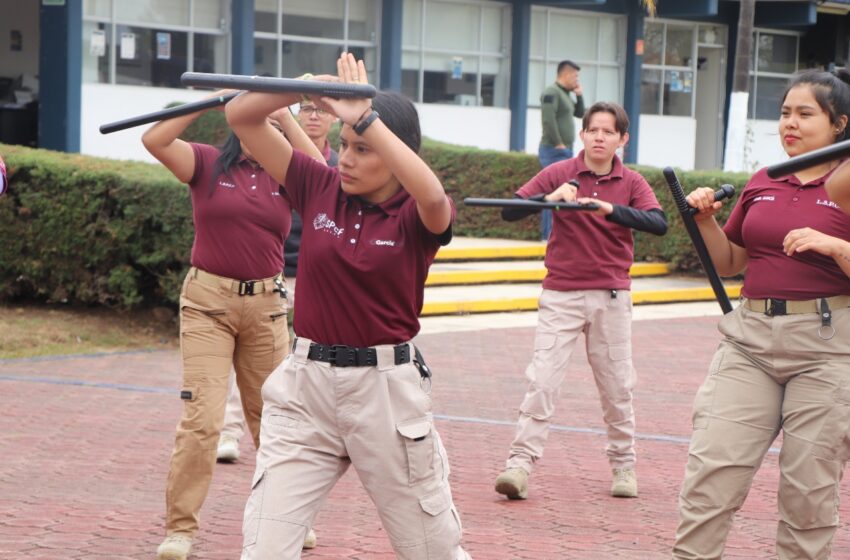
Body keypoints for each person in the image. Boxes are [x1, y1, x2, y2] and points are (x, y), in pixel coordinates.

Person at [225, 52, 470, 559]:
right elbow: (241, 117)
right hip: (305, 390)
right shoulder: (320, 186)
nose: (348, 159)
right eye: (343, 146)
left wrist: (366, 118)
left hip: (386, 395)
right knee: (264, 549)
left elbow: (433, 193)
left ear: (394, 149)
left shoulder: (417, 213)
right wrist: (299, 87)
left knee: (433, 552)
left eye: (363, 148)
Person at [672, 69, 850, 559]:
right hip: (749, 340)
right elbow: (731, 262)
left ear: (839, 123)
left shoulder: (849, 182)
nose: (789, 123)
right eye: (784, 113)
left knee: (808, 492)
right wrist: (704, 221)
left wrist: (834, 244)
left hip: (828, 349)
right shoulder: (764, 179)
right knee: (711, 474)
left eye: (805, 114)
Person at [142, 90, 322, 560]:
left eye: (266, 124)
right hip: (207, 305)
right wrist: (202, 103)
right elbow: (154, 141)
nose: (255, 130)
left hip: (265, 307)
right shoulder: (206, 164)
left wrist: (284, 112)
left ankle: (289, 521)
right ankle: (180, 530)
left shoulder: (285, 176)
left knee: (276, 423)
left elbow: (323, 174)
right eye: (249, 120)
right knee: (201, 421)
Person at [494, 101, 667, 502]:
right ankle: (518, 466)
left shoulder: (633, 182)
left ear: (623, 139)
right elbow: (508, 211)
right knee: (542, 381)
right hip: (560, 296)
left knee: (617, 387)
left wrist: (611, 210)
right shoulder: (560, 172)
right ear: (582, 134)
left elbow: (658, 223)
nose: (600, 138)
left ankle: (624, 465)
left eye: (609, 132)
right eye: (593, 130)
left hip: (611, 298)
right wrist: (550, 198)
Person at [216, 100, 339, 464]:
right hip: (273, 272)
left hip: (319, 275)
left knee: (317, 358)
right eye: (308, 109)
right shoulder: (272, 153)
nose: (314, 115)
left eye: (322, 110)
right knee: (254, 360)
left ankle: (315, 433)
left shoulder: (339, 166)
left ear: (333, 118)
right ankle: (230, 432)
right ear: (296, 114)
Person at [538, 60, 586, 241]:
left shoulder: (565, 94)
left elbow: (580, 113)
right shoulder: (552, 92)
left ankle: (555, 235)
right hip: (553, 150)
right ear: (565, 75)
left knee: (564, 194)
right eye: (575, 76)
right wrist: (558, 143)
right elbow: (548, 120)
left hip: (565, 151)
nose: (577, 80)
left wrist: (579, 96)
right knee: (554, 194)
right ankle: (547, 236)